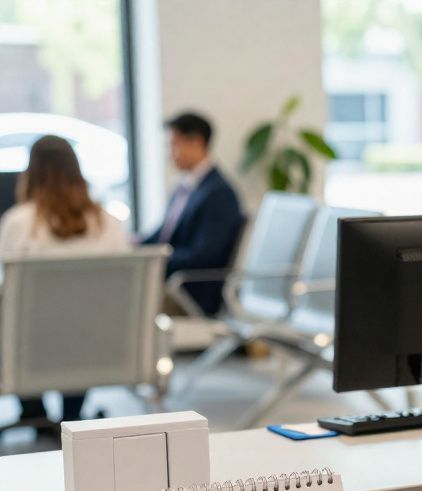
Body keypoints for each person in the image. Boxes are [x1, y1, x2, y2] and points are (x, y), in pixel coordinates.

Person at [0, 135, 129, 426]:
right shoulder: (108, 223)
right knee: (80, 323)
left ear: (30, 174)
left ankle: (34, 412)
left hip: (31, 349)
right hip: (97, 345)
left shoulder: (20, 223)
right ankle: (71, 412)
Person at [141, 111, 245, 316]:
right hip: (171, 283)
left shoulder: (218, 193)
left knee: (127, 301)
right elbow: (163, 234)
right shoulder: (185, 187)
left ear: (196, 143)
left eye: (174, 145)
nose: (169, 154)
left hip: (189, 292)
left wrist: (155, 261)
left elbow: (203, 256)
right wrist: (134, 249)